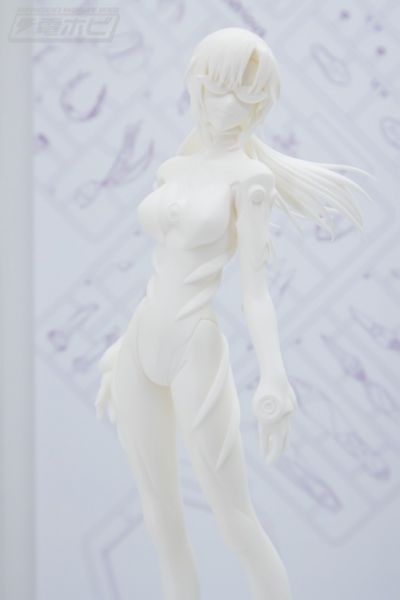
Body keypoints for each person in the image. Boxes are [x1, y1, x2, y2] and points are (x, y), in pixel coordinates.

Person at [96, 27, 371, 600]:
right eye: (220, 89)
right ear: (197, 82)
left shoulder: (251, 180)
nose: (231, 108)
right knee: (159, 516)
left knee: (233, 518)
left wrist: (274, 378)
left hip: (194, 346)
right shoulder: (174, 168)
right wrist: (122, 348)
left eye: (249, 97)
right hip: (142, 342)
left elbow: (255, 290)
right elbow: (163, 267)